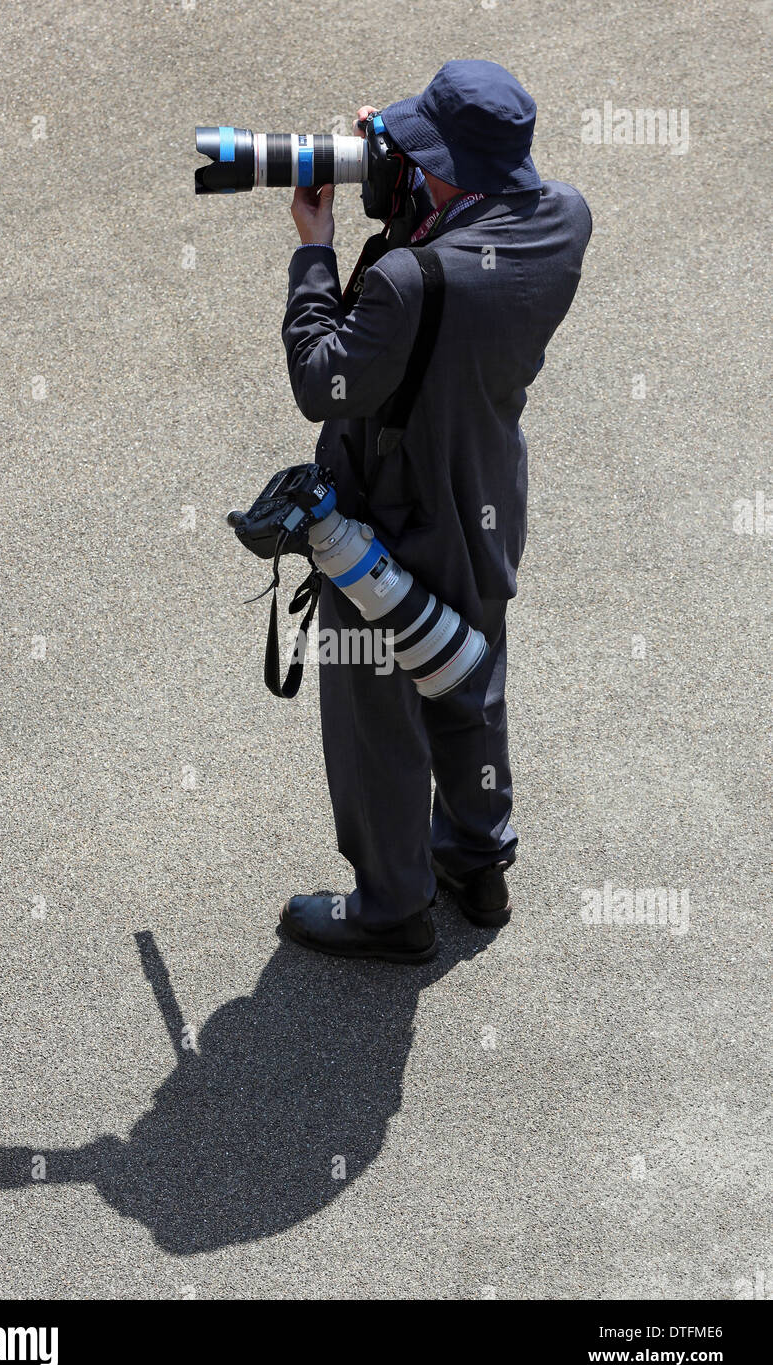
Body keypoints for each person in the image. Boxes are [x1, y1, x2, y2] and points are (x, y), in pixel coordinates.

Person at [278, 60, 592, 963]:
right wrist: (413, 185)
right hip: (485, 495)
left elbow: (322, 378)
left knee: (379, 713)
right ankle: (477, 863)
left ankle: (391, 909)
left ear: (446, 166)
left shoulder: (410, 281)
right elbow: (458, 259)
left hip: (393, 516)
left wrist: (315, 247)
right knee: (468, 673)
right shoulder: (565, 219)